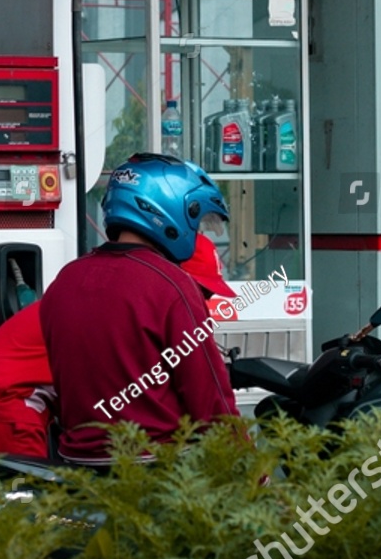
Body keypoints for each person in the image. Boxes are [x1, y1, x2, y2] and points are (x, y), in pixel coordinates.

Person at [0, 231, 238, 459]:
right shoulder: (139, 302)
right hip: (5, 408)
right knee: (24, 521)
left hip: (10, 404)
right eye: (203, 290)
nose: (204, 300)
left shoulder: (118, 303)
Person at [36, 154, 238, 465]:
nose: (196, 234)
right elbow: (209, 395)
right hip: (155, 465)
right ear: (171, 211)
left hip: (77, 463)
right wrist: (251, 469)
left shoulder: (65, 280)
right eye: (197, 223)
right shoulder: (170, 284)